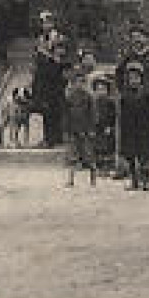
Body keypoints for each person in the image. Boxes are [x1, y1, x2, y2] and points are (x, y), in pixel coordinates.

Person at [118, 61, 149, 192]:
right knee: (131, 156)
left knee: (143, 156)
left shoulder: (148, 94)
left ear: (141, 79)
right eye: (131, 78)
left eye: (136, 78)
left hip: (143, 130)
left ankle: (145, 181)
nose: (133, 81)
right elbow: (122, 116)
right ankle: (134, 181)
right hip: (130, 131)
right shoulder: (125, 96)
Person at [32, 10, 69, 147]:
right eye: (43, 23)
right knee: (45, 107)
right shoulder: (40, 39)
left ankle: (57, 137)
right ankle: (48, 137)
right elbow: (37, 58)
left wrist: (51, 55)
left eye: (48, 22)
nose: (46, 25)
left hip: (56, 76)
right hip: (43, 77)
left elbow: (61, 57)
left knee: (56, 107)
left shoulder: (59, 38)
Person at [63, 68, 97, 187]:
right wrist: (66, 129)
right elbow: (66, 114)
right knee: (72, 155)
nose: (79, 84)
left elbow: (93, 114)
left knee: (88, 155)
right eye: (76, 82)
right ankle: (71, 179)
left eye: (82, 82)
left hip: (86, 130)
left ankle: (93, 178)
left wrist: (92, 129)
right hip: (73, 129)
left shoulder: (89, 97)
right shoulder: (69, 97)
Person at [92, 73, 118, 178]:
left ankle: (107, 168)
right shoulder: (93, 102)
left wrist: (110, 126)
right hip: (96, 127)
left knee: (107, 147)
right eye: (98, 89)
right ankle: (99, 168)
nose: (101, 92)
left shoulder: (110, 102)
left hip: (106, 127)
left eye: (103, 89)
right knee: (97, 147)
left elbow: (113, 115)